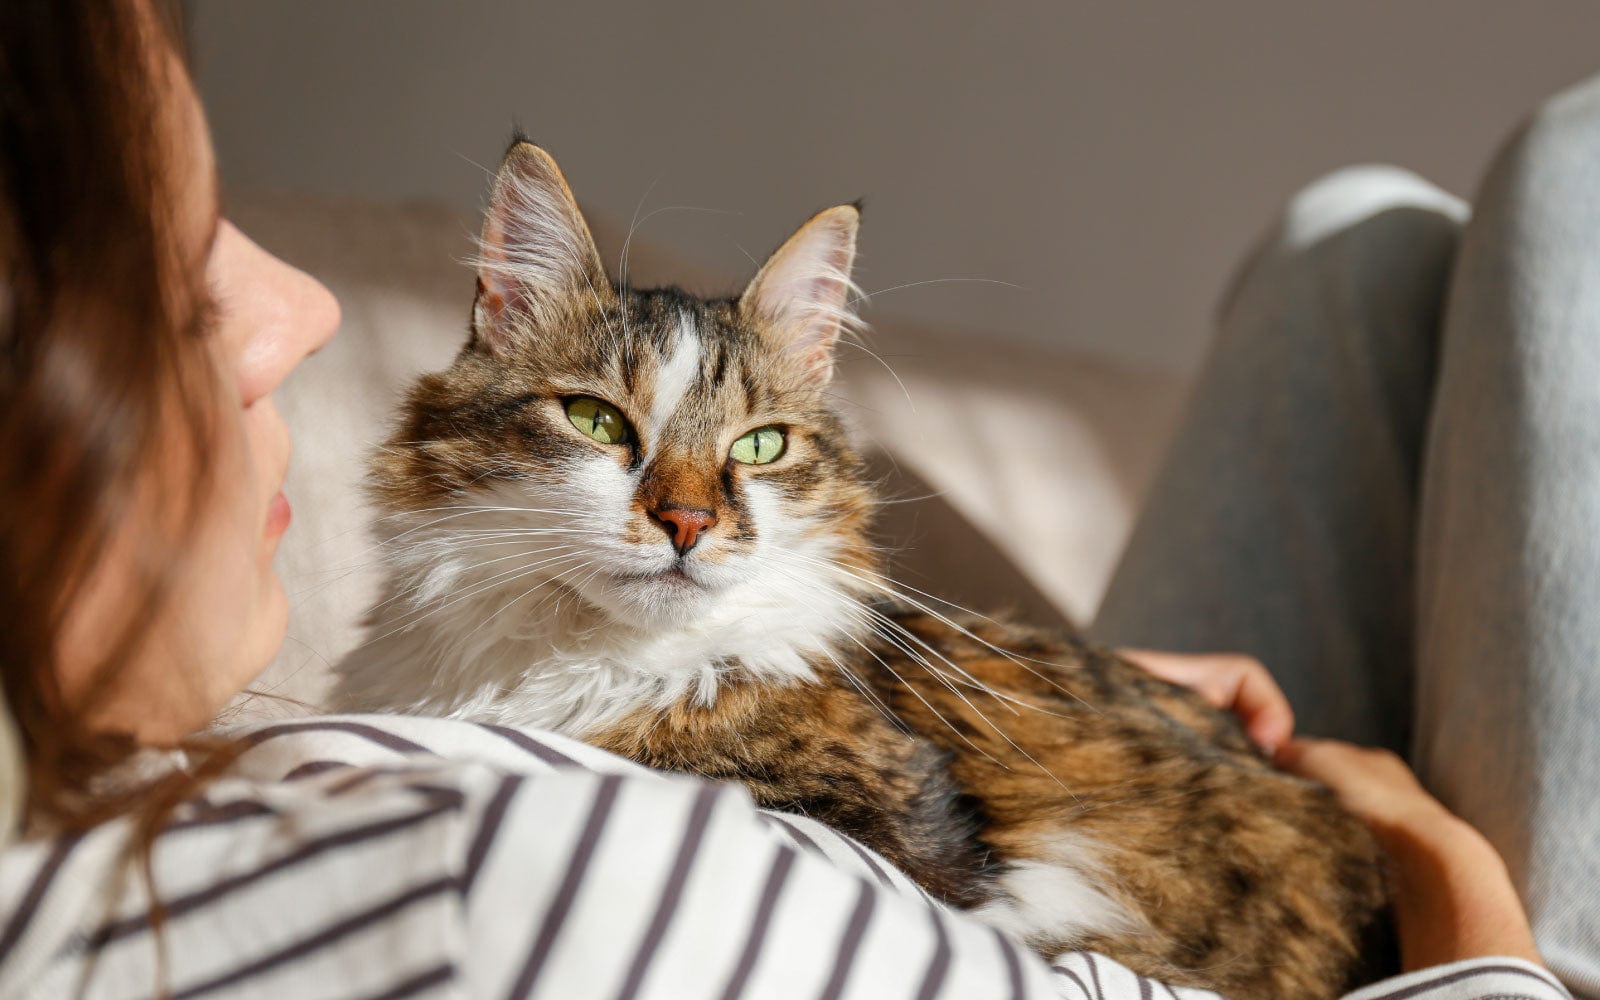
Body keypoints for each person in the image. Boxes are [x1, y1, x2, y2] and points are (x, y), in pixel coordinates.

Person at [0, 1, 1580, 997]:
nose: (305, 311)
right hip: (1422, 952)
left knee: (1352, 250)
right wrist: (1447, 865)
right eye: (178, 283)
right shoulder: (494, 893)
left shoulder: (167, 814)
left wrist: (1024, 695)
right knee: (1571, 167)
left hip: (1118, 809)